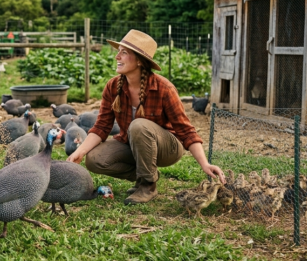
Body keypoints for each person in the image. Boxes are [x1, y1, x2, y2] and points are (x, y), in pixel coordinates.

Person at [68, 29, 225, 204]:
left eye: (124, 53)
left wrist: (205, 164)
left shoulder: (164, 88)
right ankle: (147, 175)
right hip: (133, 144)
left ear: (140, 61)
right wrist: (79, 152)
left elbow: (186, 131)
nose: (117, 57)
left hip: (167, 148)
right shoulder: (113, 87)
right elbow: (102, 127)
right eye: (118, 51)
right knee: (95, 160)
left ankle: (148, 187)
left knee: (139, 125)